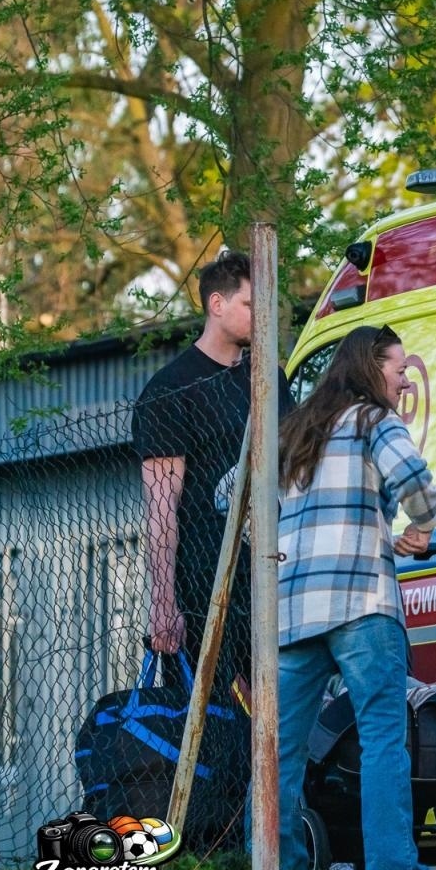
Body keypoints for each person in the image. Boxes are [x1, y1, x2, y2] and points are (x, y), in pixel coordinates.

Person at [272, 325, 436, 870]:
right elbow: (416, 482)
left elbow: (231, 495)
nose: (406, 380)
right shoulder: (376, 421)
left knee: (279, 746)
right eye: (399, 369)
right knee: (383, 736)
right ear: (370, 368)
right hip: (362, 602)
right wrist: (421, 531)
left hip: (293, 609)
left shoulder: (294, 431)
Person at [133, 252, 293, 691]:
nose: (262, 317)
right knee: (215, 734)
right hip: (208, 592)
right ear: (217, 304)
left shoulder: (270, 380)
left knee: (282, 725)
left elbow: (298, 473)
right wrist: (164, 602)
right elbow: (161, 506)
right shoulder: (170, 390)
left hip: (275, 581)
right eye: (250, 305)